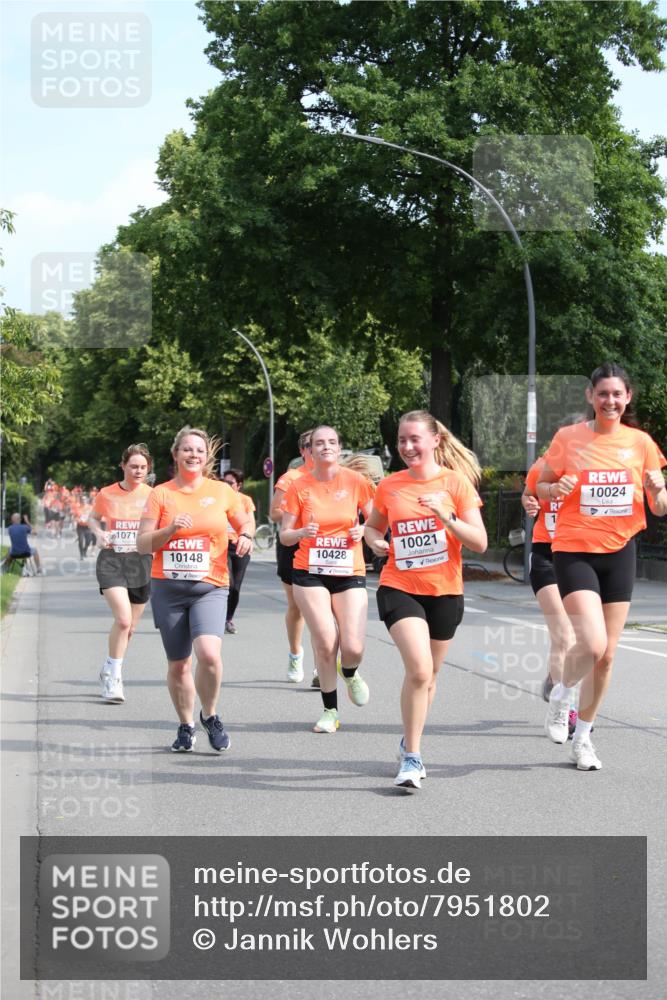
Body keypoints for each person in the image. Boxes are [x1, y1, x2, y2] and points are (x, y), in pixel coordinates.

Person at [538, 363, 666, 770]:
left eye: (617, 394)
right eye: (602, 394)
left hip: (620, 550)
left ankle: (584, 738)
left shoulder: (641, 443)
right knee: (591, 644)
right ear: (590, 397)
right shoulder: (568, 438)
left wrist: (658, 490)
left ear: (628, 397)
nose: (609, 401)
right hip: (574, 548)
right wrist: (553, 488)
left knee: (607, 656)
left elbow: (659, 508)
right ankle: (562, 695)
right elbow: (538, 487)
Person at [364, 410, 487, 792]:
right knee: (418, 670)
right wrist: (373, 541)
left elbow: (479, 543)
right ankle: (413, 756)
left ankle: (407, 739)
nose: (408, 447)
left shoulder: (456, 483)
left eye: (415, 439)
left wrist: (446, 516)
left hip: (445, 591)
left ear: (435, 440)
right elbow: (373, 526)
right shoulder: (390, 485)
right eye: (402, 440)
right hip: (399, 584)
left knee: (430, 677)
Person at [137, 427, 254, 753]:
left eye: (199, 450)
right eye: (186, 449)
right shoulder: (160, 494)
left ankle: (210, 715)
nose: (193, 455)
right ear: (176, 455)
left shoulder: (221, 492)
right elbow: (143, 544)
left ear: (206, 457)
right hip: (169, 589)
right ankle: (186, 725)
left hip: (210, 586)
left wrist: (246, 535)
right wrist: (172, 528)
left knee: (210, 656)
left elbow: (245, 521)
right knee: (179, 664)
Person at [280, 425, 374, 734]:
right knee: (324, 641)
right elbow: (284, 536)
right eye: (319, 443)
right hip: (309, 571)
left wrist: (364, 530)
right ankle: (330, 711)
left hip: (348, 569)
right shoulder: (299, 486)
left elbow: (376, 520)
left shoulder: (356, 482)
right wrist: (301, 533)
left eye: (331, 442)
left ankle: (349, 670)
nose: (325, 447)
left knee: (354, 645)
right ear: (310, 449)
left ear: (339, 447)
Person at [88, 445, 154, 704]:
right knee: (124, 620)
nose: (138, 471)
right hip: (112, 561)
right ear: (123, 466)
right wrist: (99, 533)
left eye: (143, 467)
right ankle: (114, 677)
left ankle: (109, 665)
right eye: (133, 466)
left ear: (148, 469)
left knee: (131, 627)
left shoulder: (155, 495)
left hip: (141, 563)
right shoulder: (108, 493)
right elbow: (92, 518)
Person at [522, 457, 578, 743]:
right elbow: (528, 493)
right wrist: (529, 503)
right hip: (546, 555)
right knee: (564, 635)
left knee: (583, 636)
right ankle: (564, 706)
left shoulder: (595, 466)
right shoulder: (543, 466)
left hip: (580, 556)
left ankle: (554, 681)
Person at [270, 430, 317, 684]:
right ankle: (295, 653)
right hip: (293, 543)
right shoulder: (290, 479)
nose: (316, 449)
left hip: (323, 546)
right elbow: (274, 513)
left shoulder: (333, 478)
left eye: (321, 444)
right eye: (311, 446)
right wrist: (295, 514)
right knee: (297, 606)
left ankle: (322, 663)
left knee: (324, 609)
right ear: (302, 451)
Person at [222, 468, 256, 633]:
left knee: (236, 587)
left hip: (240, 545)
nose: (226, 485)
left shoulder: (245, 500)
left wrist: (248, 538)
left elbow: (251, 523)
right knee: (228, 583)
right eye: (224, 481)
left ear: (239, 485)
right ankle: (218, 616)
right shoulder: (219, 498)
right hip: (222, 545)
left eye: (230, 482)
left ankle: (228, 619)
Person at [73, 495, 95, 560]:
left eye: (85, 499)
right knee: (80, 540)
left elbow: (94, 516)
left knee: (88, 541)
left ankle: (85, 550)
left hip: (88, 527)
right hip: (80, 527)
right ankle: (81, 555)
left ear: (87, 500)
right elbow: (74, 517)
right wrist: (78, 520)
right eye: (82, 499)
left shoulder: (91, 508)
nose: (84, 501)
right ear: (80, 501)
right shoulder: (78, 508)